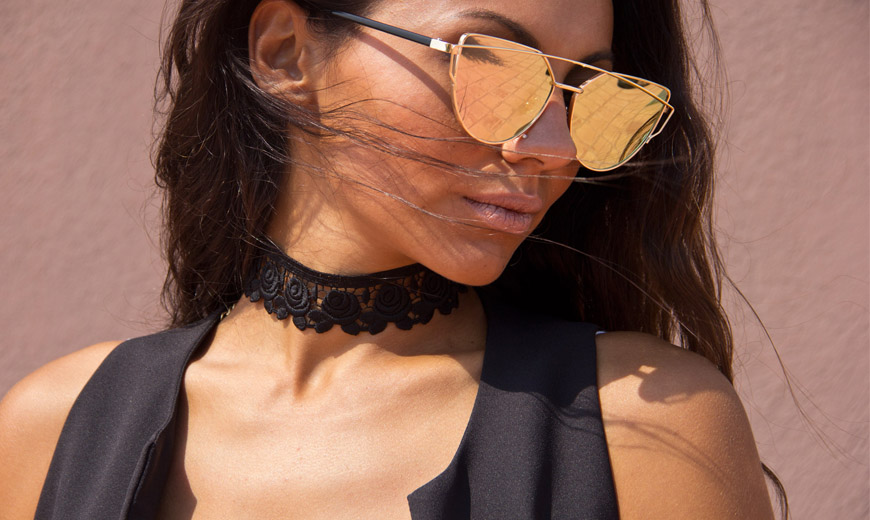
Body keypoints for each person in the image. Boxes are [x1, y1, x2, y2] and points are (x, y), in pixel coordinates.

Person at [0, 0, 780, 518]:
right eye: (488, 62)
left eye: (585, 90)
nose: (553, 146)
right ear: (285, 55)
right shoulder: (57, 428)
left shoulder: (641, 430)